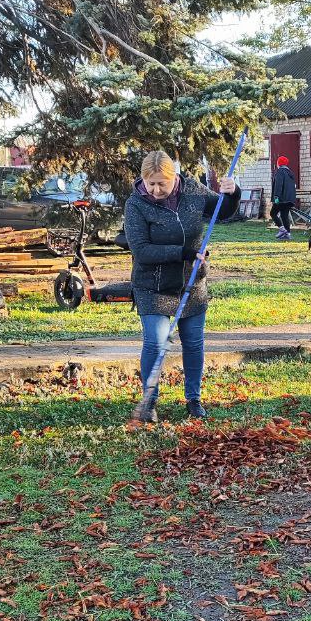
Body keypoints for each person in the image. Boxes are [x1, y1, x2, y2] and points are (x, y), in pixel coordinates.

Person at [123, 149, 239, 421]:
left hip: (191, 283)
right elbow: (141, 251)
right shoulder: (136, 204)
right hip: (153, 286)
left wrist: (232, 193)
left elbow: (222, 210)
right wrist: (184, 252)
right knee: (155, 342)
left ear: (173, 177)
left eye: (161, 183)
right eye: (150, 183)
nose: (155, 189)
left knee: (194, 343)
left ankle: (194, 400)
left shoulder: (193, 192)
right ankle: (149, 403)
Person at [270, 155, 297, 239]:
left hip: (281, 199)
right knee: (284, 216)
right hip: (289, 199)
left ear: (279, 163)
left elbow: (278, 185)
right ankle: (287, 234)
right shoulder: (291, 173)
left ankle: (282, 229)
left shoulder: (280, 172)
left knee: (273, 213)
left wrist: (276, 197)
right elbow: (294, 186)